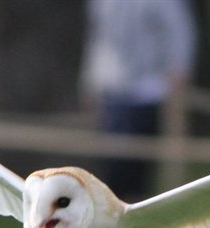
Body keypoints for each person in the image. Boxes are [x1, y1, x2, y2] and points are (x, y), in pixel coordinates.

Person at [80, 0, 197, 200]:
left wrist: (178, 68)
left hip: (147, 91)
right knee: (112, 166)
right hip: (113, 91)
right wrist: (90, 81)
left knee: (138, 168)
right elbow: (99, 37)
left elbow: (178, 29)